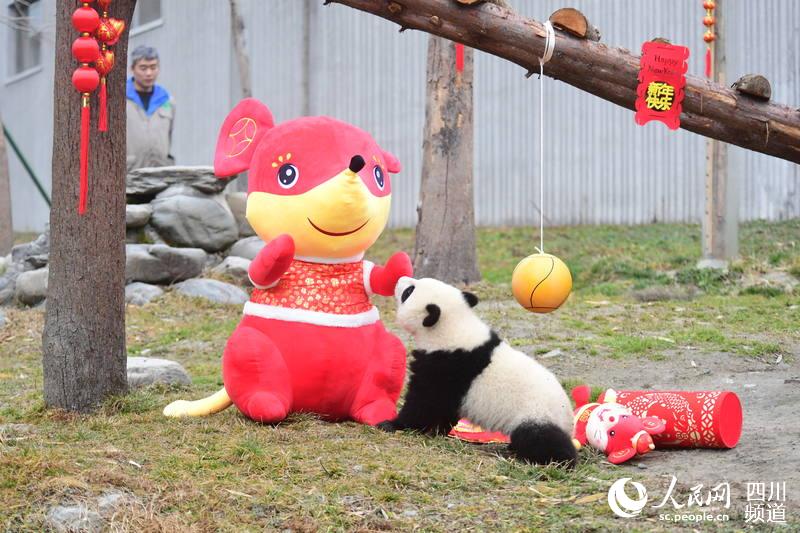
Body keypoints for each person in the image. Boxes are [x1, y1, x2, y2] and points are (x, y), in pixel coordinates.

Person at [126, 45, 175, 171]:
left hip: (161, 173)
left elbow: (169, 136)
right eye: (143, 68)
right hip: (129, 173)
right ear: (132, 69)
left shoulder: (167, 100)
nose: (149, 73)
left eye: (153, 67)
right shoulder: (121, 99)